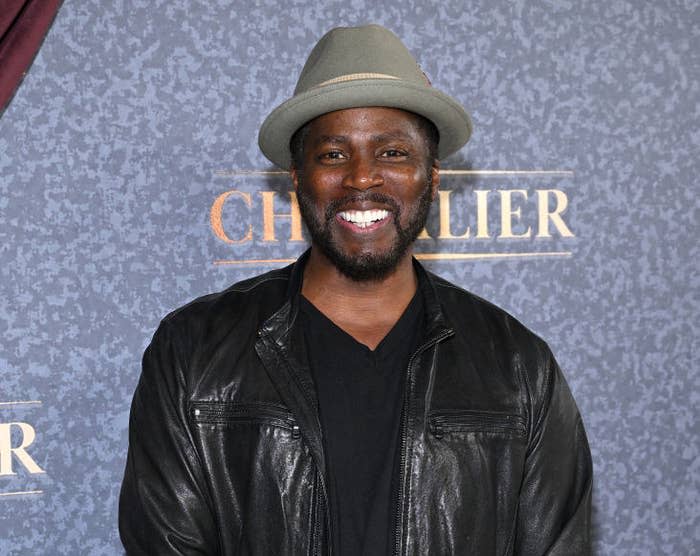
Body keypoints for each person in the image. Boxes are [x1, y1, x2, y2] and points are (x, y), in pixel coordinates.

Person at [119, 24, 592, 555]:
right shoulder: (194, 352)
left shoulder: (517, 366)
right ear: (297, 176)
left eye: (392, 153)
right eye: (333, 155)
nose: (362, 178)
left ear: (431, 177)